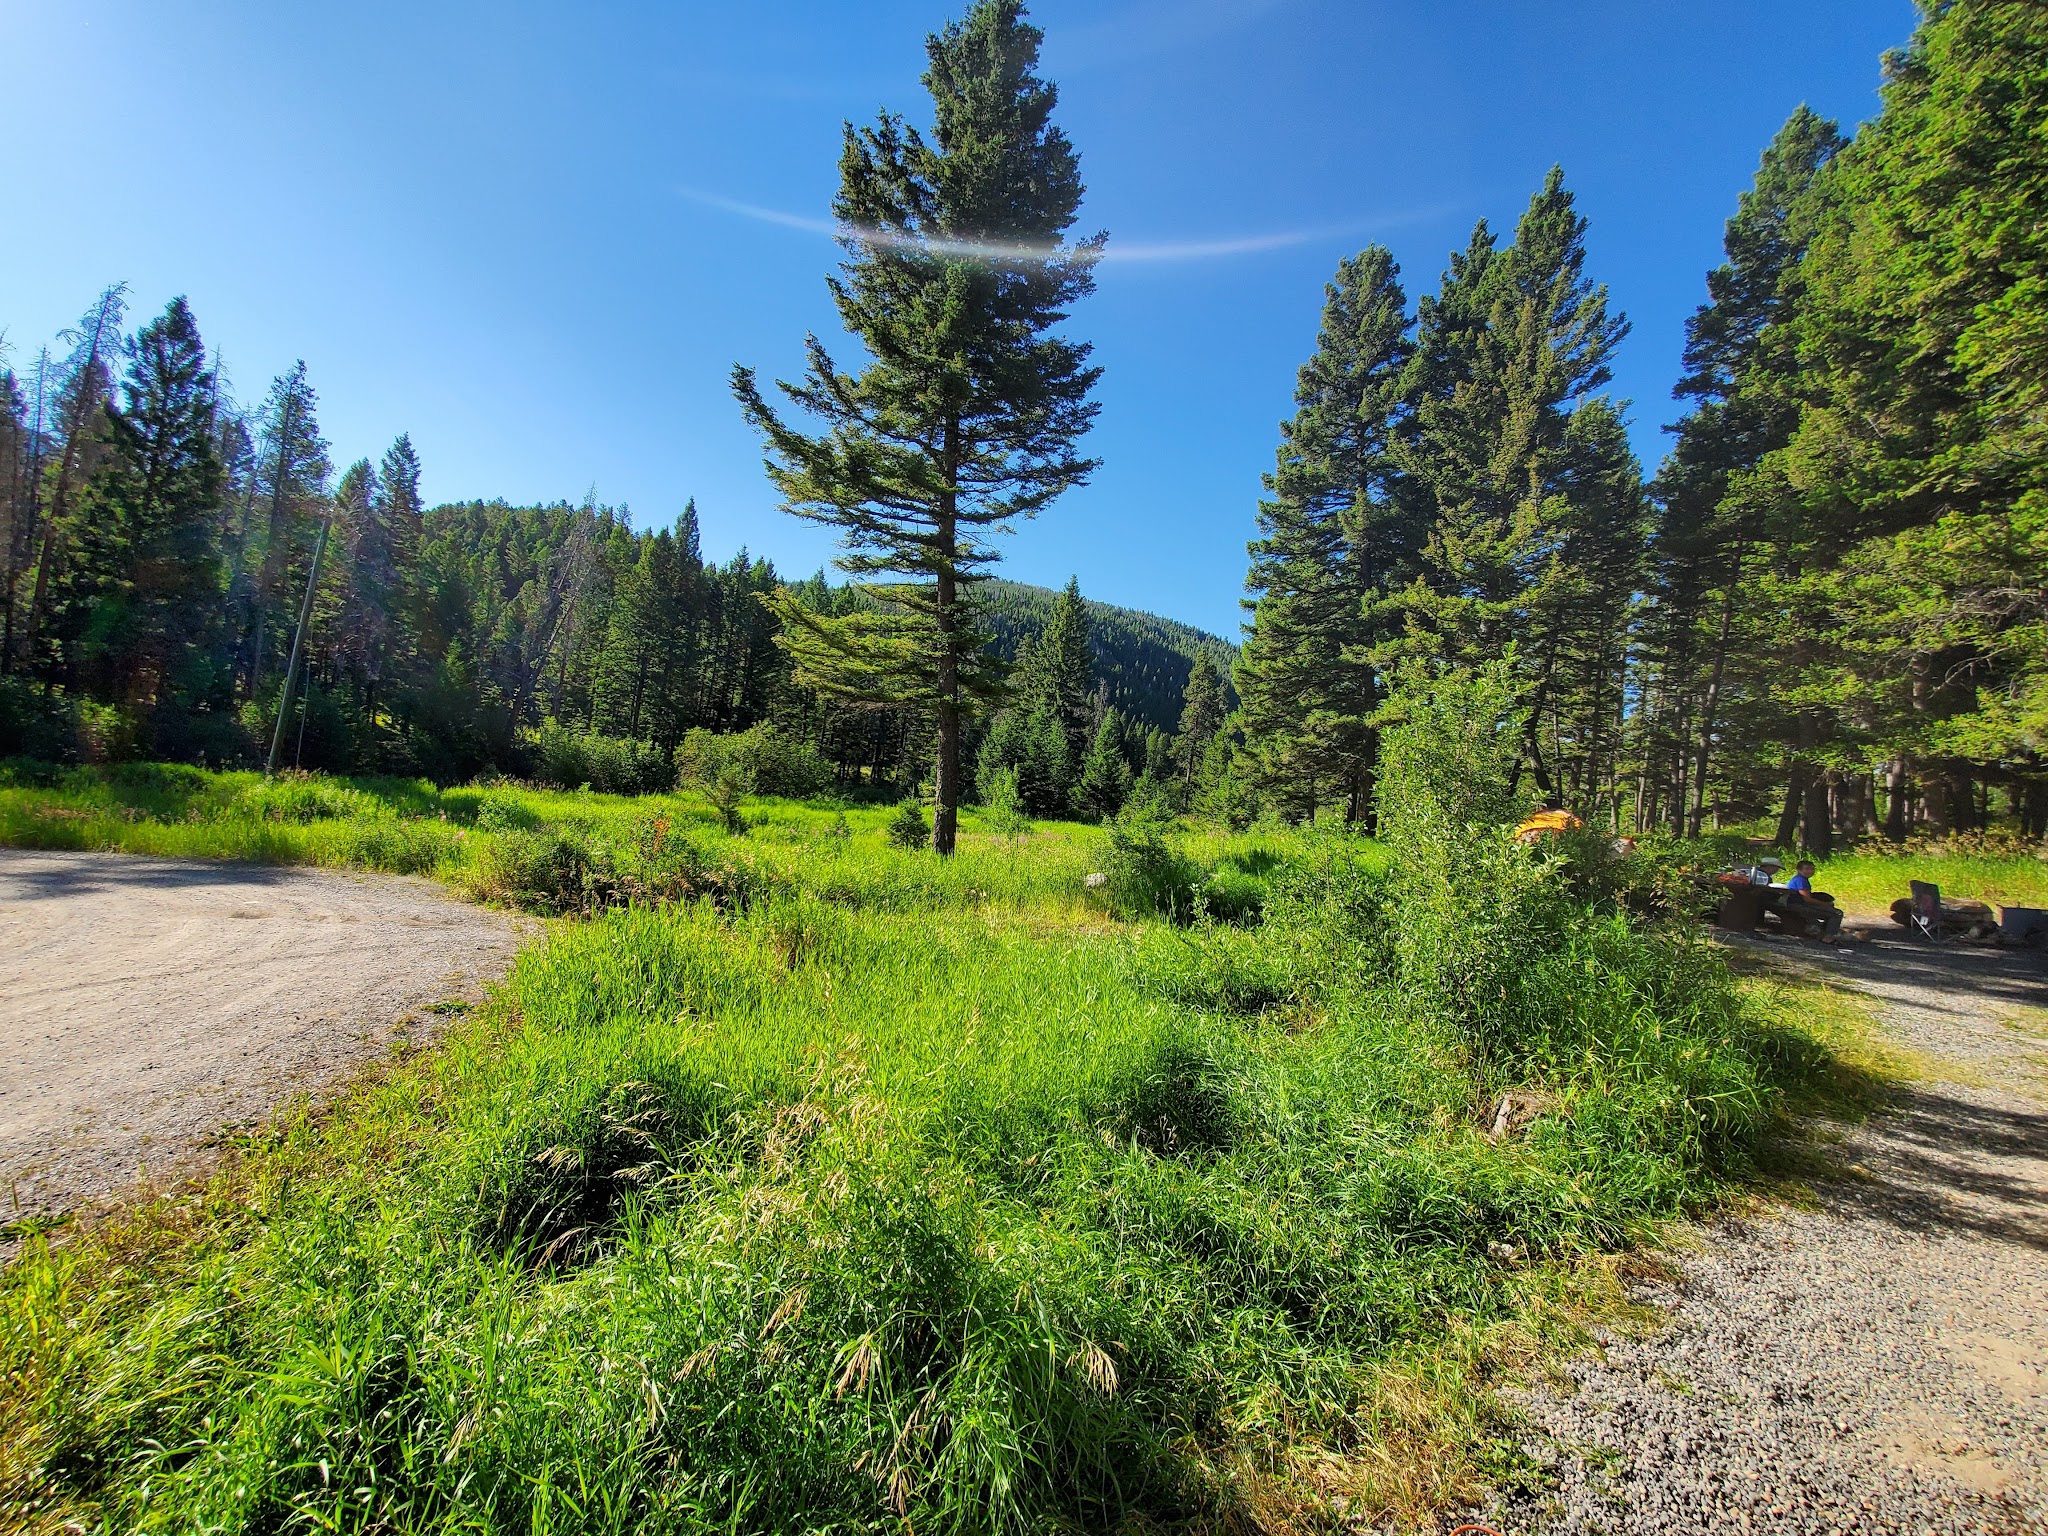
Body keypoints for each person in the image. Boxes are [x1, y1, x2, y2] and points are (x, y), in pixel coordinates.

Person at [1782, 859, 1843, 941]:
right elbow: (1807, 899)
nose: (1810, 871)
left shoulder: (1799, 879)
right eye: (1807, 869)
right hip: (1797, 905)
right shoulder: (1801, 880)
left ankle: (1823, 933)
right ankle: (1828, 937)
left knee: (1830, 909)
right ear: (1799, 870)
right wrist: (1824, 904)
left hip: (1795, 903)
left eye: (1812, 869)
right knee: (1837, 913)